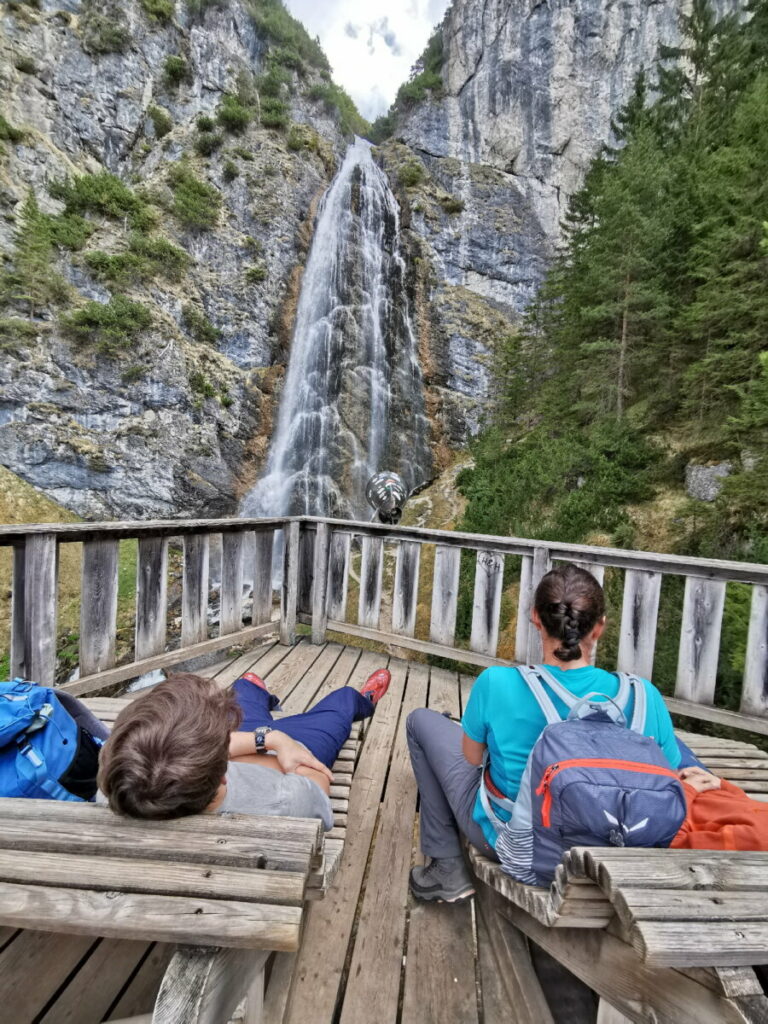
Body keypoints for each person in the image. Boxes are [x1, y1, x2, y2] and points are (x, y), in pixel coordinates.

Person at [406, 562, 684, 903]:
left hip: (528, 850)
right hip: (622, 856)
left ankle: (446, 867)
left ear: (535, 617)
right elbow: (671, 774)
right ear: (599, 628)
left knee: (421, 723)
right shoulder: (644, 696)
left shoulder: (498, 682)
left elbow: (472, 758)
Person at [98, 667, 391, 824]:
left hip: (261, 740)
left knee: (243, 688)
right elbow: (316, 778)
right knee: (339, 704)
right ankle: (362, 700)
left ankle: (256, 691)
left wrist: (268, 738)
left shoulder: (121, 787)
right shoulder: (286, 801)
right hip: (301, 746)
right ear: (223, 771)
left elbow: (163, 759)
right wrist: (279, 747)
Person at [673, 765, 768, 850]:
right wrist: (720, 784)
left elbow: (674, 841)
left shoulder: (757, 839)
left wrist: (685, 791)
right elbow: (746, 807)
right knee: (675, 748)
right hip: (700, 785)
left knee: (667, 749)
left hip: (671, 800)